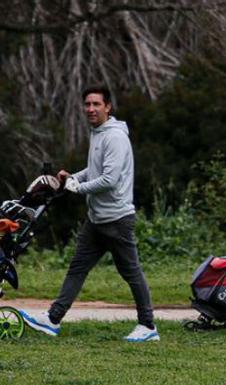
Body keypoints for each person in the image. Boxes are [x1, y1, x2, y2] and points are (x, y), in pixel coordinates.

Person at [19, 84, 159, 342]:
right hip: (96, 220)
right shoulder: (98, 132)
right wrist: (73, 176)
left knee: (131, 272)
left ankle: (148, 327)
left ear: (108, 107)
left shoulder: (114, 137)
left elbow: (110, 179)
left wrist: (77, 187)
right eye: (87, 104)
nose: (91, 109)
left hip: (117, 220)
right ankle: (52, 319)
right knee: (77, 269)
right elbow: (95, 169)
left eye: (96, 104)